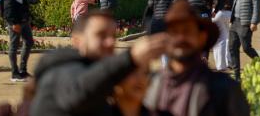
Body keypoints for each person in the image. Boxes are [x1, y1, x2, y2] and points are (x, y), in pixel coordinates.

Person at [30, 11, 167, 116]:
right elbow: (78, 93)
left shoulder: (96, 74)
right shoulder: (61, 68)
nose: (110, 42)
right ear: (77, 41)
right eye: (101, 35)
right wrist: (130, 57)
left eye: (113, 36)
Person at [142, 0, 250, 115]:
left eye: (187, 31)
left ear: (202, 37)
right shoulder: (151, 86)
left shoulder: (224, 89)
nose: (180, 38)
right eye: (174, 32)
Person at [1, 0, 36, 82]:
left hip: (24, 19)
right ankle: (15, 73)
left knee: (29, 42)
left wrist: (30, 0)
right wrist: (13, 22)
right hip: (15, 21)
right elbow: (8, 4)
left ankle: (23, 70)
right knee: (14, 46)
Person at [229, 0, 260, 81]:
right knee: (232, 47)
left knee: (246, 47)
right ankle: (236, 75)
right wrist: (231, 17)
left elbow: (257, 5)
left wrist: (254, 22)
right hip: (235, 21)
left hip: (246, 21)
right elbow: (235, 1)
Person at [209, 0, 235, 71]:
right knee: (229, 38)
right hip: (229, 13)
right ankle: (229, 61)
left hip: (215, 13)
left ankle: (220, 65)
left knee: (218, 39)